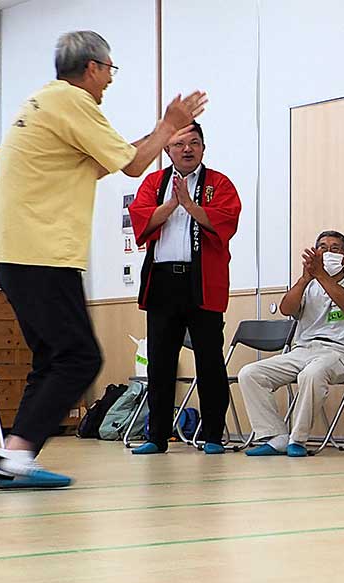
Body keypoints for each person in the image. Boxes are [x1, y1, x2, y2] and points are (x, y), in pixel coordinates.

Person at [0, 30, 205, 489]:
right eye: (109, 70)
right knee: (80, 358)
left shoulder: (44, 102)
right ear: (92, 67)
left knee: (52, 358)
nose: (109, 80)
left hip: (15, 251)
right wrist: (168, 125)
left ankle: (14, 455)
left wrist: (162, 131)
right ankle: (18, 454)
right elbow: (131, 164)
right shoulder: (74, 103)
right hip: (41, 252)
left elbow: (117, 157)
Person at [127, 122, 242, 455]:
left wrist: (191, 206)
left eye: (194, 143)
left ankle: (213, 436)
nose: (187, 149)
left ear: (204, 148)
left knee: (209, 360)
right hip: (163, 281)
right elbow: (141, 219)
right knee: (160, 361)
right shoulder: (154, 182)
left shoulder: (218, 183)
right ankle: (156, 436)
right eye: (179, 144)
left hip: (202, 281)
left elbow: (227, 222)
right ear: (167, 150)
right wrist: (173, 205)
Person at [238, 231, 344, 457]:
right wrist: (304, 279)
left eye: (335, 249)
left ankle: (297, 439)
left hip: (341, 352)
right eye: (322, 247)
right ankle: (276, 436)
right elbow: (287, 309)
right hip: (302, 350)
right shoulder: (308, 285)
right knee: (250, 373)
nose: (327, 252)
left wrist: (322, 276)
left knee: (311, 374)